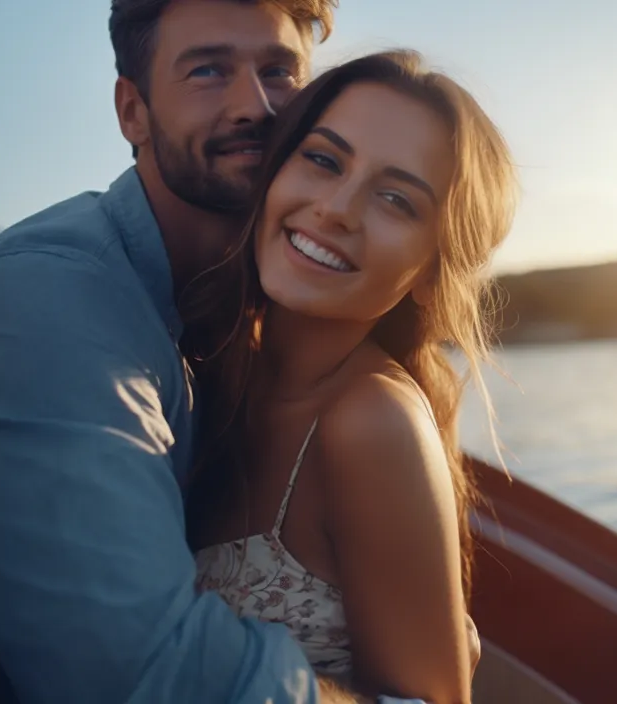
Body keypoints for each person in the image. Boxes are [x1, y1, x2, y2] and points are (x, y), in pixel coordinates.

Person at [0, 1, 428, 702]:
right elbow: (140, 675)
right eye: (208, 71)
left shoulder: (231, 327)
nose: (254, 105)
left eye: (279, 71)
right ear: (132, 112)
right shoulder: (48, 305)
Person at [182, 51, 516, 704]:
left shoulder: (372, 422)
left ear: (429, 273)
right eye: (324, 160)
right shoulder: (198, 370)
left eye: (396, 199)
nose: (336, 208)